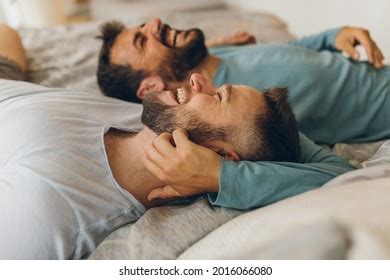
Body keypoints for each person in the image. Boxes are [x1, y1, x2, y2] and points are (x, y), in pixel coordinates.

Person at [0, 24, 353, 259]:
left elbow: (340, 179)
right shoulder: (150, 113)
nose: (199, 79)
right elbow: (338, 171)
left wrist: (223, 178)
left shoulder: (47, 214)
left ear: (221, 154)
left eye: (217, 97)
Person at [96, 18, 390, 145]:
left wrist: (333, 36)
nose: (155, 23)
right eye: (142, 40)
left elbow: (288, 53)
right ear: (150, 87)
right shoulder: (236, 110)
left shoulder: (209, 56)